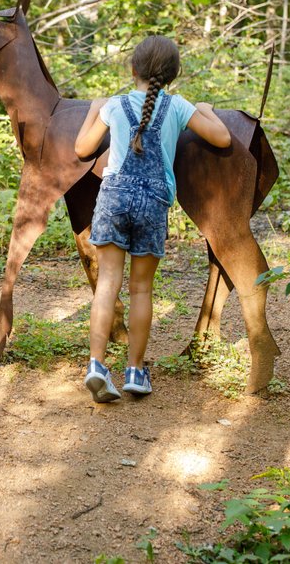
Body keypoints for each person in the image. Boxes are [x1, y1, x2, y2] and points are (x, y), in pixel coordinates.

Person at [74, 35, 231, 402]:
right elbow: (222, 138)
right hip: (152, 204)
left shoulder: (112, 105)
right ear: (174, 74)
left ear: (133, 70)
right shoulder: (177, 106)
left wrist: (92, 109)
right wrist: (205, 109)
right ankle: (135, 371)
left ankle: (96, 365)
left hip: (112, 199)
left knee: (107, 284)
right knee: (141, 289)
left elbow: (82, 149)